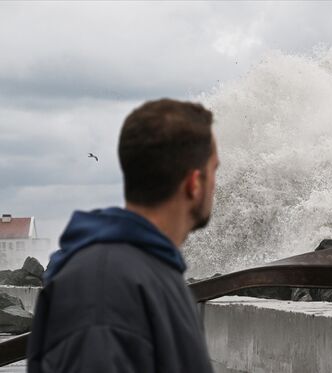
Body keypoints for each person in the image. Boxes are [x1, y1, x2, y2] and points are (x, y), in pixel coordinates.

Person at [27, 99, 219, 373]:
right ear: (193, 183)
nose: (216, 186)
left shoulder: (149, 272)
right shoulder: (106, 289)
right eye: (214, 171)